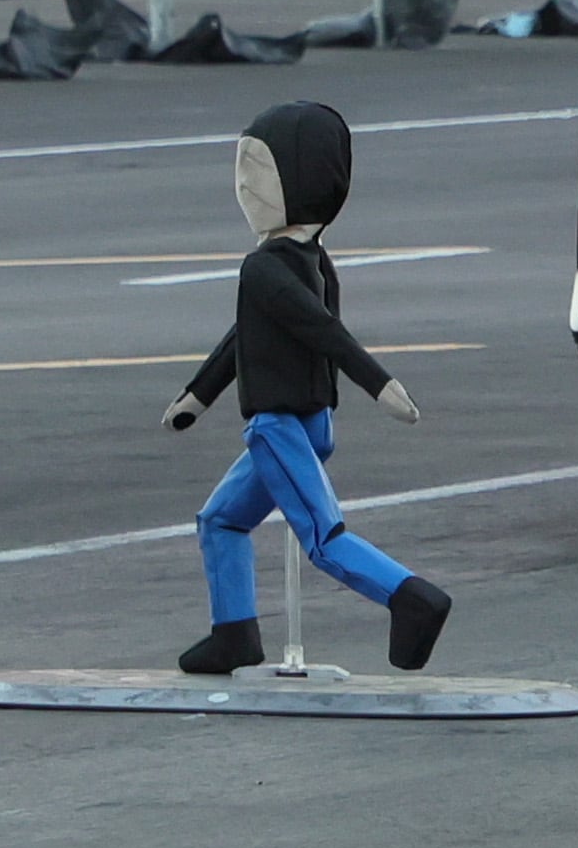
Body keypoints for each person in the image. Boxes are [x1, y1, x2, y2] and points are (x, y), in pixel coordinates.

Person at [162, 100, 453, 673]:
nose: (244, 186)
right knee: (220, 520)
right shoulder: (314, 260)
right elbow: (246, 336)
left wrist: (379, 383)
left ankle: (411, 599)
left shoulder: (266, 267)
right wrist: (197, 396)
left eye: (257, 173)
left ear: (299, 184)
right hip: (309, 421)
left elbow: (323, 331)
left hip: (279, 425)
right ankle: (235, 635)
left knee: (322, 538)